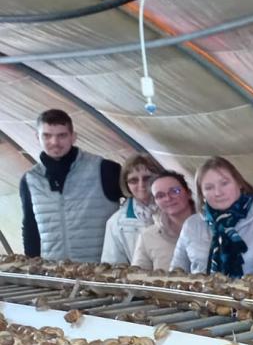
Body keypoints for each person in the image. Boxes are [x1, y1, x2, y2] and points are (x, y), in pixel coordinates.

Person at [19, 109, 122, 262]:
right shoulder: (30, 180)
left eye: (62, 135)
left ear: (73, 137)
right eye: (47, 135)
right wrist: (33, 269)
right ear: (37, 137)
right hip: (55, 275)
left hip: (103, 273)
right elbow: (30, 229)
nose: (54, 142)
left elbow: (139, 207)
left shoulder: (104, 169)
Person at [171, 157, 253, 276]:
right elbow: (176, 272)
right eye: (209, 188)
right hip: (202, 293)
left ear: (240, 183)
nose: (218, 193)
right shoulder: (192, 225)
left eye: (224, 183)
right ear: (202, 194)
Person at [101, 155, 165, 265]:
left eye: (147, 178)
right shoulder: (116, 223)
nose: (141, 185)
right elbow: (112, 265)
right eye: (133, 180)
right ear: (126, 184)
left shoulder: (175, 211)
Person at [133, 171, 195, 270]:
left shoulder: (211, 229)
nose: (168, 198)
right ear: (155, 202)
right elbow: (137, 278)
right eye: (160, 195)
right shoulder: (147, 237)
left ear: (188, 193)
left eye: (174, 191)